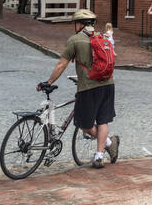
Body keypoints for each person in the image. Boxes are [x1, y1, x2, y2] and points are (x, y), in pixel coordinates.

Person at [40, 9, 118, 168]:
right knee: (103, 120)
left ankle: (109, 143)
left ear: (80, 24)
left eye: (76, 23)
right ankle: (99, 155)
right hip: (108, 84)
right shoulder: (103, 38)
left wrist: (49, 81)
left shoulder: (75, 40)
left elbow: (62, 64)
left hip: (88, 87)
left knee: (85, 125)